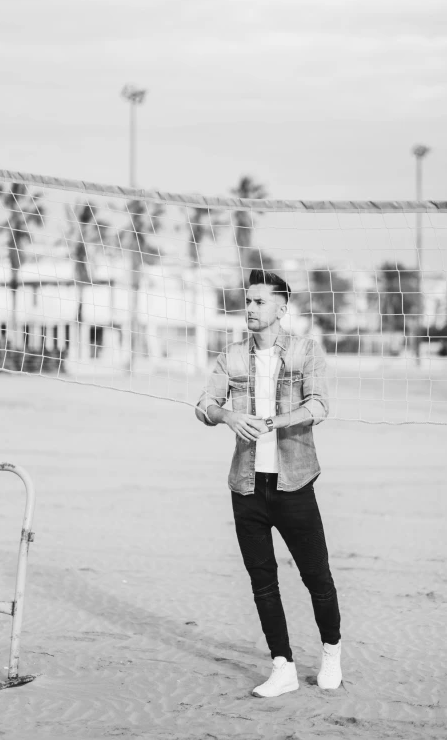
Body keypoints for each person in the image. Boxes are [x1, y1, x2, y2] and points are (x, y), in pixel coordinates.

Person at [195, 269, 342, 698]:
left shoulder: (305, 351)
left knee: (317, 577)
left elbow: (319, 405)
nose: (251, 308)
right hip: (246, 486)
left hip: (293, 483)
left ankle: (331, 652)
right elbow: (204, 405)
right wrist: (227, 415)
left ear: (282, 307)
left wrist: (273, 422)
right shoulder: (231, 356)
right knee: (262, 583)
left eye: (260, 302)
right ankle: (283, 666)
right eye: (248, 301)